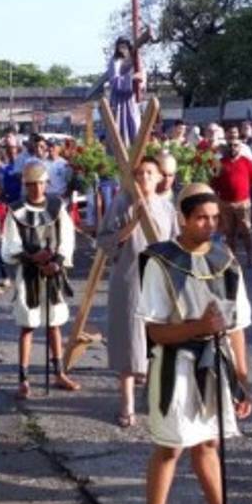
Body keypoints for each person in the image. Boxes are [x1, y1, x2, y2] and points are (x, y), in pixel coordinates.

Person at [134, 183, 252, 504]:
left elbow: (237, 326)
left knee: (208, 444)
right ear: (183, 219)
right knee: (170, 448)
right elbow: (155, 331)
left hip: (216, 365)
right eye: (201, 218)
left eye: (214, 218)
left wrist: (243, 379)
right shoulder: (160, 261)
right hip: (175, 366)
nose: (209, 225)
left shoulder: (226, 260)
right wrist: (198, 326)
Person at [97, 157, 178, 428]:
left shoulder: (167, 208)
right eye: (140, 173)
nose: (144, 177)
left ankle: (153, 396)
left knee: (158, 340)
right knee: (129, 342)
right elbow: (105, 240)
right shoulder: (122, 204)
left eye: (150, 172)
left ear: (158, 178)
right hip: (129, 279)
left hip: (159, 282)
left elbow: (177, 246)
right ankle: (127, 403)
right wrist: (134, 223)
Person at [1, 162, 81, 399]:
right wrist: (33, 257)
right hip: (28, 272)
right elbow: (10, 244)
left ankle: (59, 372)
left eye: (40, 183)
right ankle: (23, 380)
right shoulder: (15, 210)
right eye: (31, 184)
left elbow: (67, 237)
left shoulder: (57, 206)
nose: (36, 188)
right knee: (28, 324)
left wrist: (56, 261)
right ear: (25, 185)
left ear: (46, 183)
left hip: (53, 271)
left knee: (54, 323)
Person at [210, 133, 252, 268]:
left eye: (236, 145)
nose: (233, 148)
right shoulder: (220, 162)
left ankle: (250, 260)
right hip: (225, 203)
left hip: (243, 203)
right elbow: (213, 183)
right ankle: (232, 261)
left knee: (246, 232)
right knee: (229, 233)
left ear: (240, 146)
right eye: (230, 145)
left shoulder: (246, 161)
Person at [88, 37, 144, 146]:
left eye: (124, 47)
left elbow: (142, 76)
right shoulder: (115, 61)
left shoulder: (136, 60)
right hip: (118, 100)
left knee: (134, 126)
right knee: (118, 128)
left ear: (129, 47)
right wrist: (131, 78)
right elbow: (114, 81)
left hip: (131, 100)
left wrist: (140, 80)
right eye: (120, 47)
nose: (122, 49)